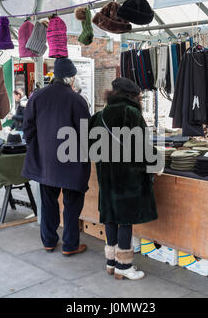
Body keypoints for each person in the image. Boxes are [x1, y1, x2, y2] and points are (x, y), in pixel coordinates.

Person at [88, 77, 161, 280]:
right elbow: (143, 148)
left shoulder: (99, 116)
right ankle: (124, 266)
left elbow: (89, 149)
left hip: (106, 176)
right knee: (125, 220)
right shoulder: (132, 113)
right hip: (128, 177)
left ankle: (111, 262)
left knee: (110, 216)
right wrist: (157, 161)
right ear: (133, 96)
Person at [22, 58, 91, 256]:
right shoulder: (77, 100)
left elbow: (28, 128)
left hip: (46, 161)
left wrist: (39, 146)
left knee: (48, 201)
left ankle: (49, 241)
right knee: (72, 203)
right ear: (72, 78)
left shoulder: (38, 96)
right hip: (71, 160)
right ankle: (70, 245)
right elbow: (85, 133)